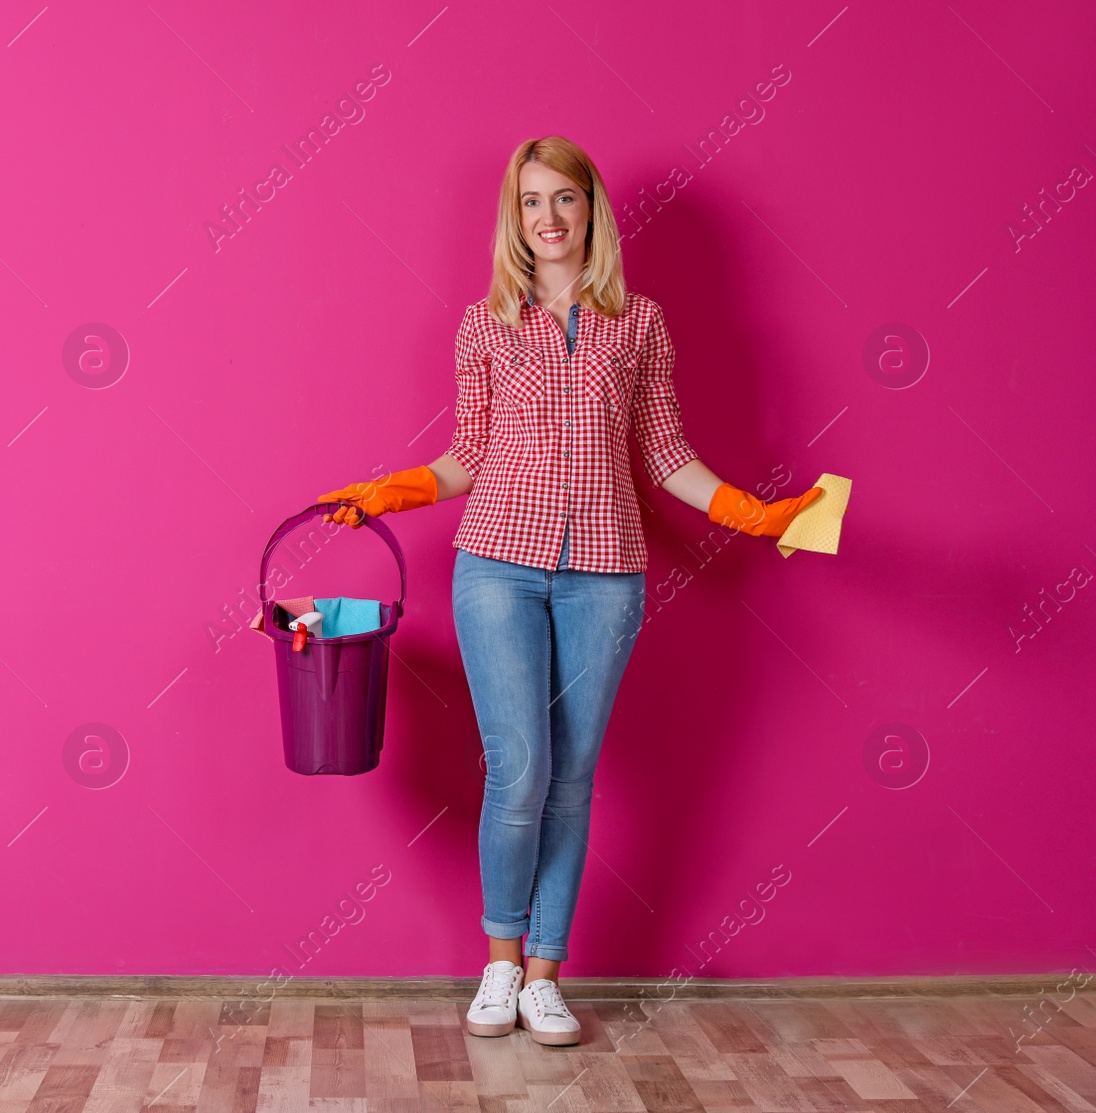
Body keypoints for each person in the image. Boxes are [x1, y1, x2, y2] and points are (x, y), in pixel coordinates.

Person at [315, 136, 822, 1047]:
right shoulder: (485, 325)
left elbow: (665, 455)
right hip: (497, 566)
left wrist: (751, 512)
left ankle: (547, 973)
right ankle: (500, 962)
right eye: (532, 201)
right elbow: (470, 454)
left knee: (572, 778)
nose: (549, 218)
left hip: (604, 574)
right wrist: (391, 489)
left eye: (565, 199)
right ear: (515, 216)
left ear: (593, 210)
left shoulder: (640, 324)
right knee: (522, 770)